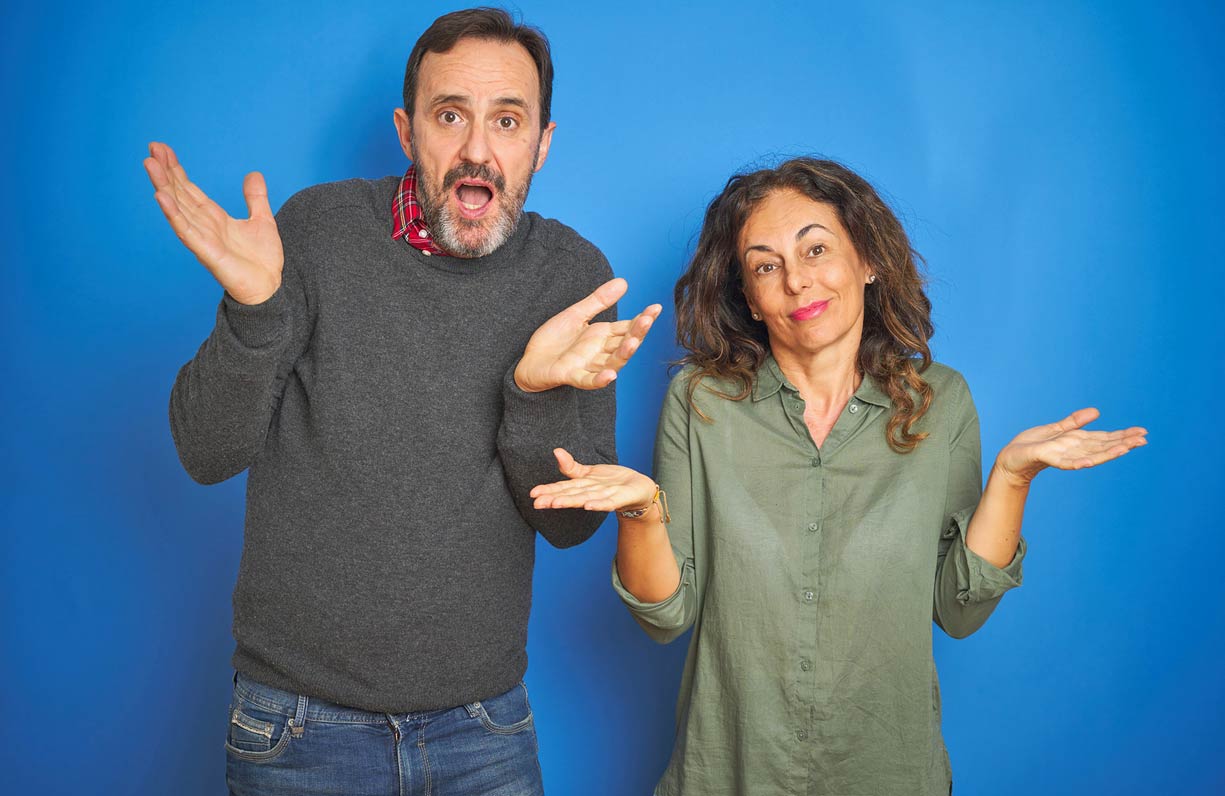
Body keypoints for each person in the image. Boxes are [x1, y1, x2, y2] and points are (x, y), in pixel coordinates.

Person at [144, 8, 660, 795]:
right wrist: (255, 311)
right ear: (407, 130)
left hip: (482, 730)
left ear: (542, 142)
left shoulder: (571, 275)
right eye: (449, 116)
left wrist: (531, 390)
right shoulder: (316, 232)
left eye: (507, 120)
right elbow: (205, 453)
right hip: (295, 728)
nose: (476, 149)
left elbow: (567, 526)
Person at [530, 157, 1146, 795]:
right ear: (749, 296)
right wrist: (641, 512)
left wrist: (1013, 478)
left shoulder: (941, 402)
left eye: (816, 249)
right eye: (766, 266)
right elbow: (665, 615)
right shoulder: (701, 400)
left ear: (868, 260)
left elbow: (959, 612)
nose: (797, 281)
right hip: (731, 775)